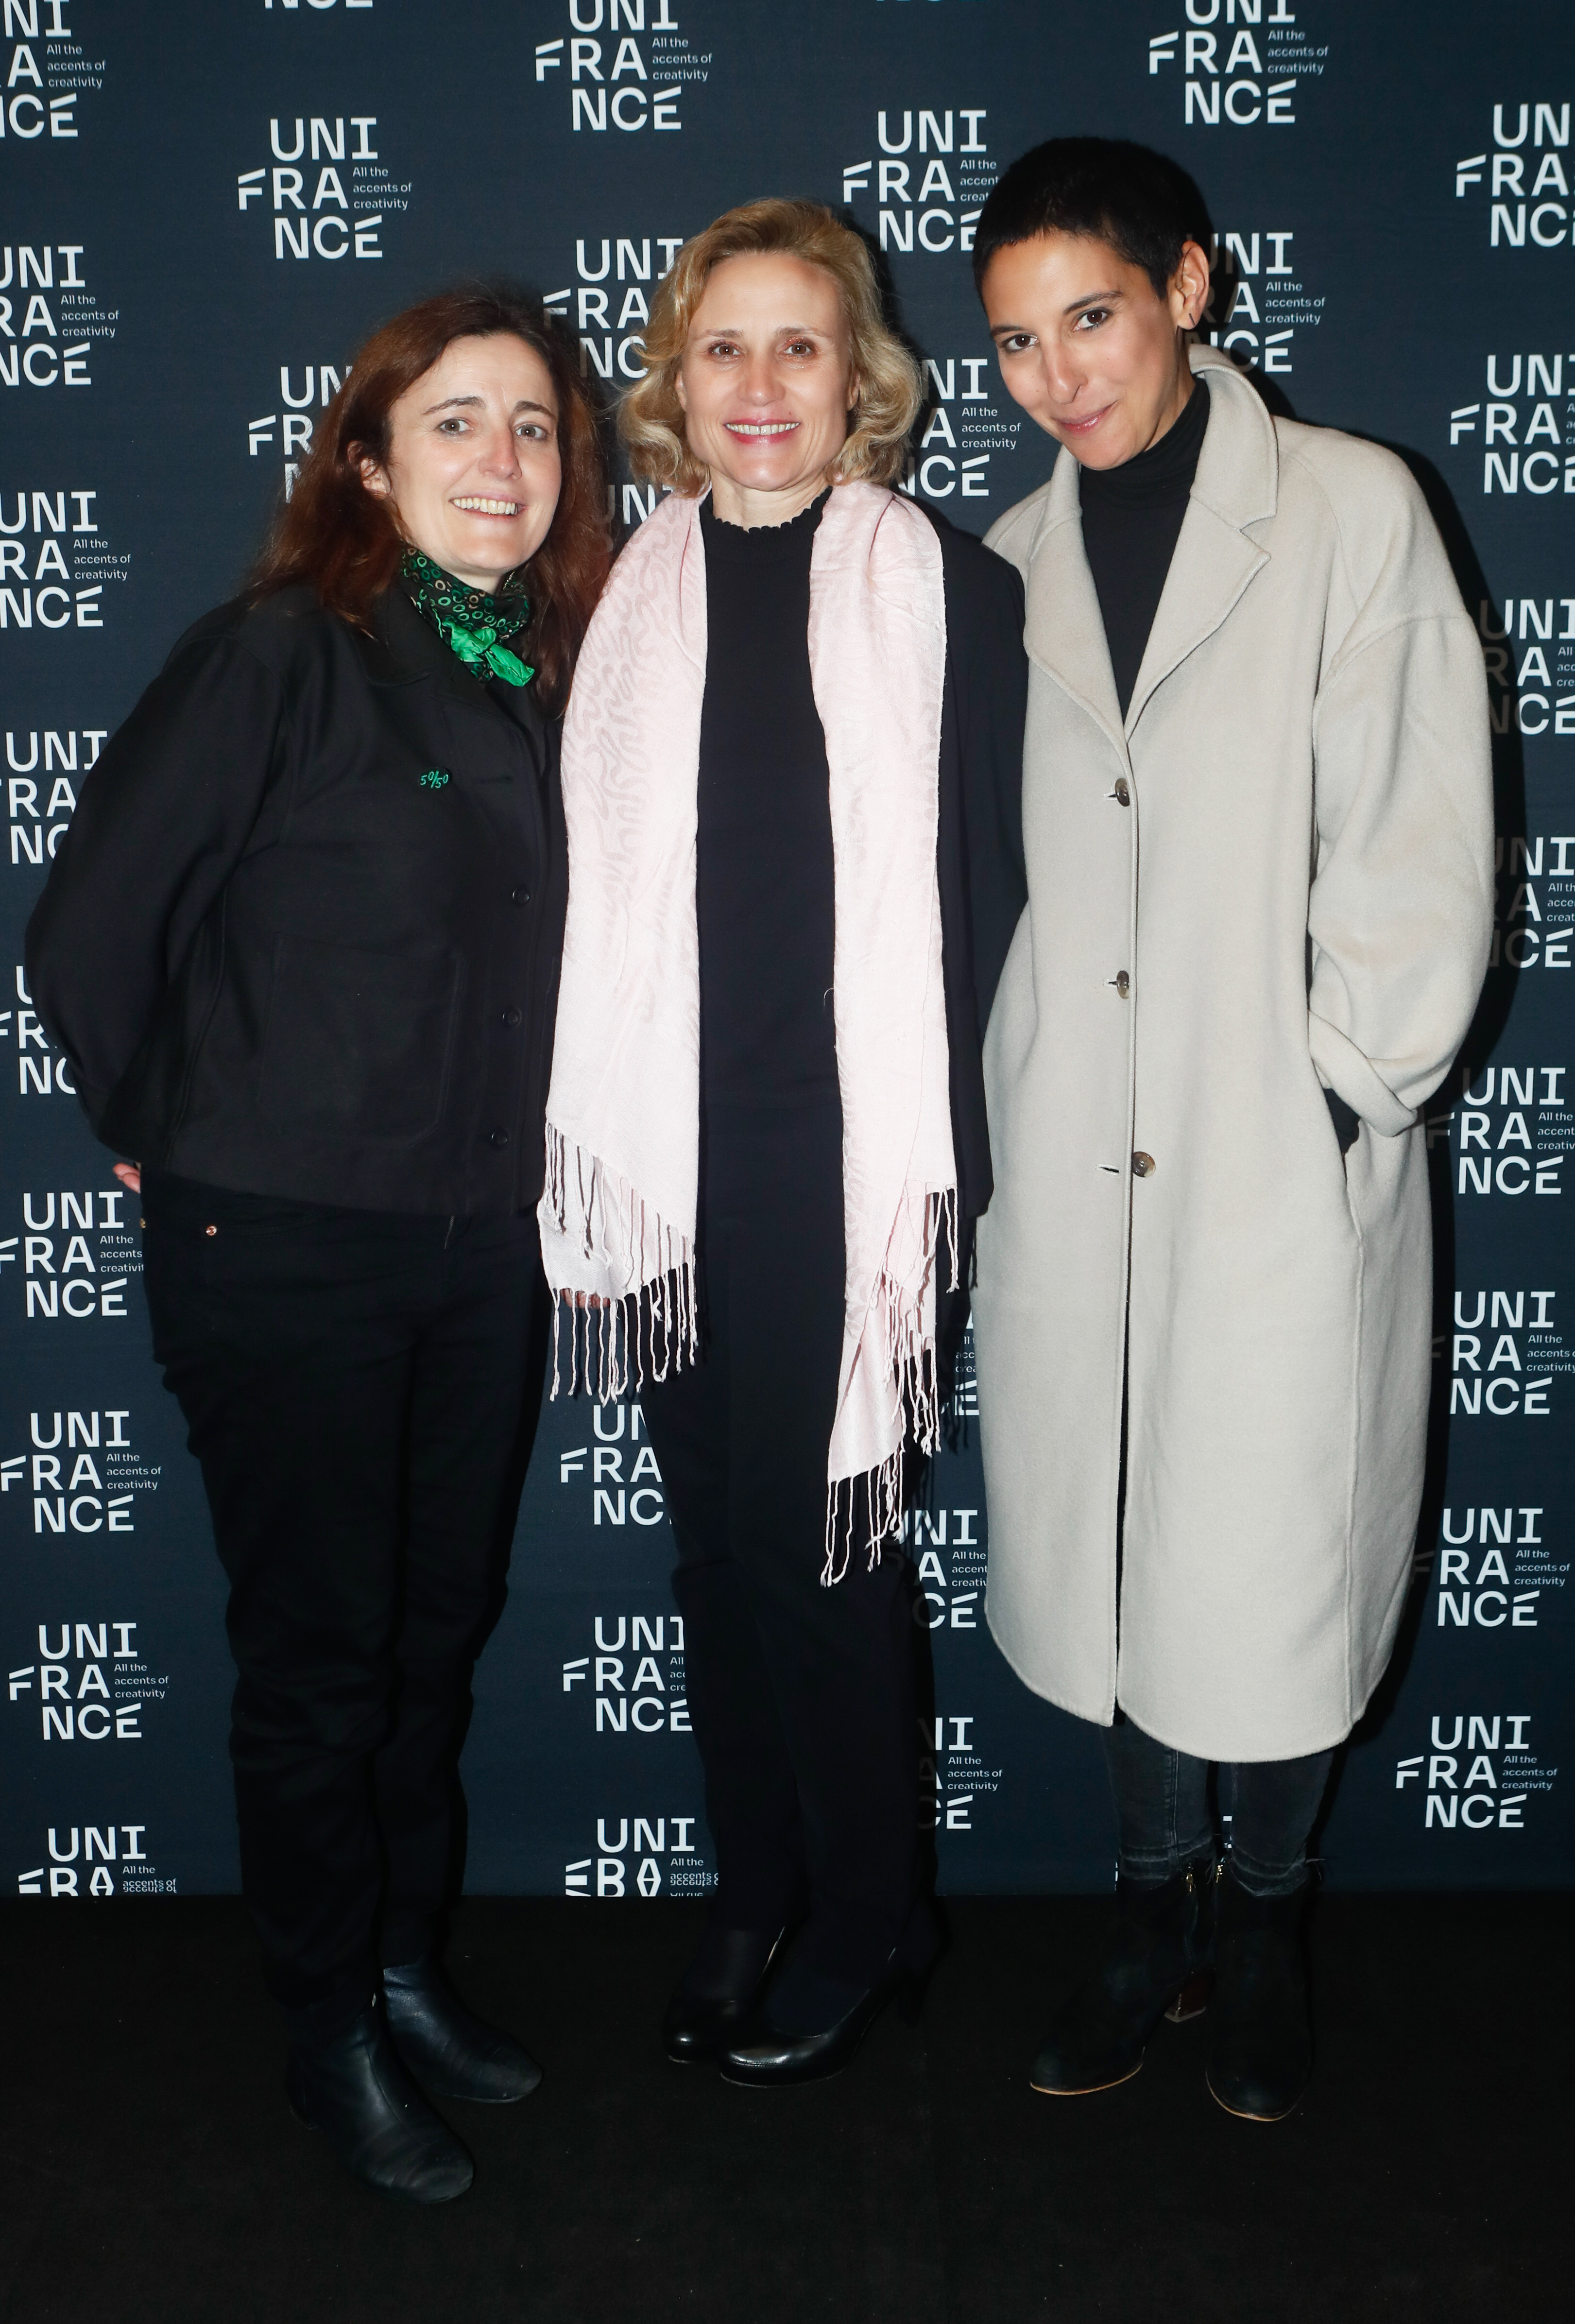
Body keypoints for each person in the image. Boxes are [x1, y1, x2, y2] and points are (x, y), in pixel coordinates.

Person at [26, 288, 611, 2202]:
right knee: (318, 1661)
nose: (500, 463)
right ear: (366, 458)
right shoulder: (287, 651)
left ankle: (396, 1958)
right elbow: (94, 922)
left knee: (432, 1639)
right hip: (284, 1249)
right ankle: (323, 2029)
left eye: (532, 426)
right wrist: (159, 1133)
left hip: (472, 1251)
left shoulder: (544, 676)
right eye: (453, 424)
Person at [968, 139, 1493, 2120]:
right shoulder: (1006, 567)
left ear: (1187, 284)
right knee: (1115, 1540)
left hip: (1271, 1138)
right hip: (1079, 1137)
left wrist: (1336, 1079)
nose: (1053, 374)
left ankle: (1264, 1916)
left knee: (1262, 1547)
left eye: (1087, 315)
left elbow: (1423, 841)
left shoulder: (1347, 511)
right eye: (1014, 340)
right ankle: (1142, 1911)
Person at [539, 199, 1027, 2086]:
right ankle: (754, 1889)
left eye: (799, 348)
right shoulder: (623, 600)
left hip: (849, 1156)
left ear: (861, 383)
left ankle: (870, 1912)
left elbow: (993, 898)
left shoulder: (943, 588)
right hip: (670, 1159)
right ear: (674, 380)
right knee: (716, 1556)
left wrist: (947, 1163)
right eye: (721, 348)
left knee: (828, 1557)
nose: (759, 387)